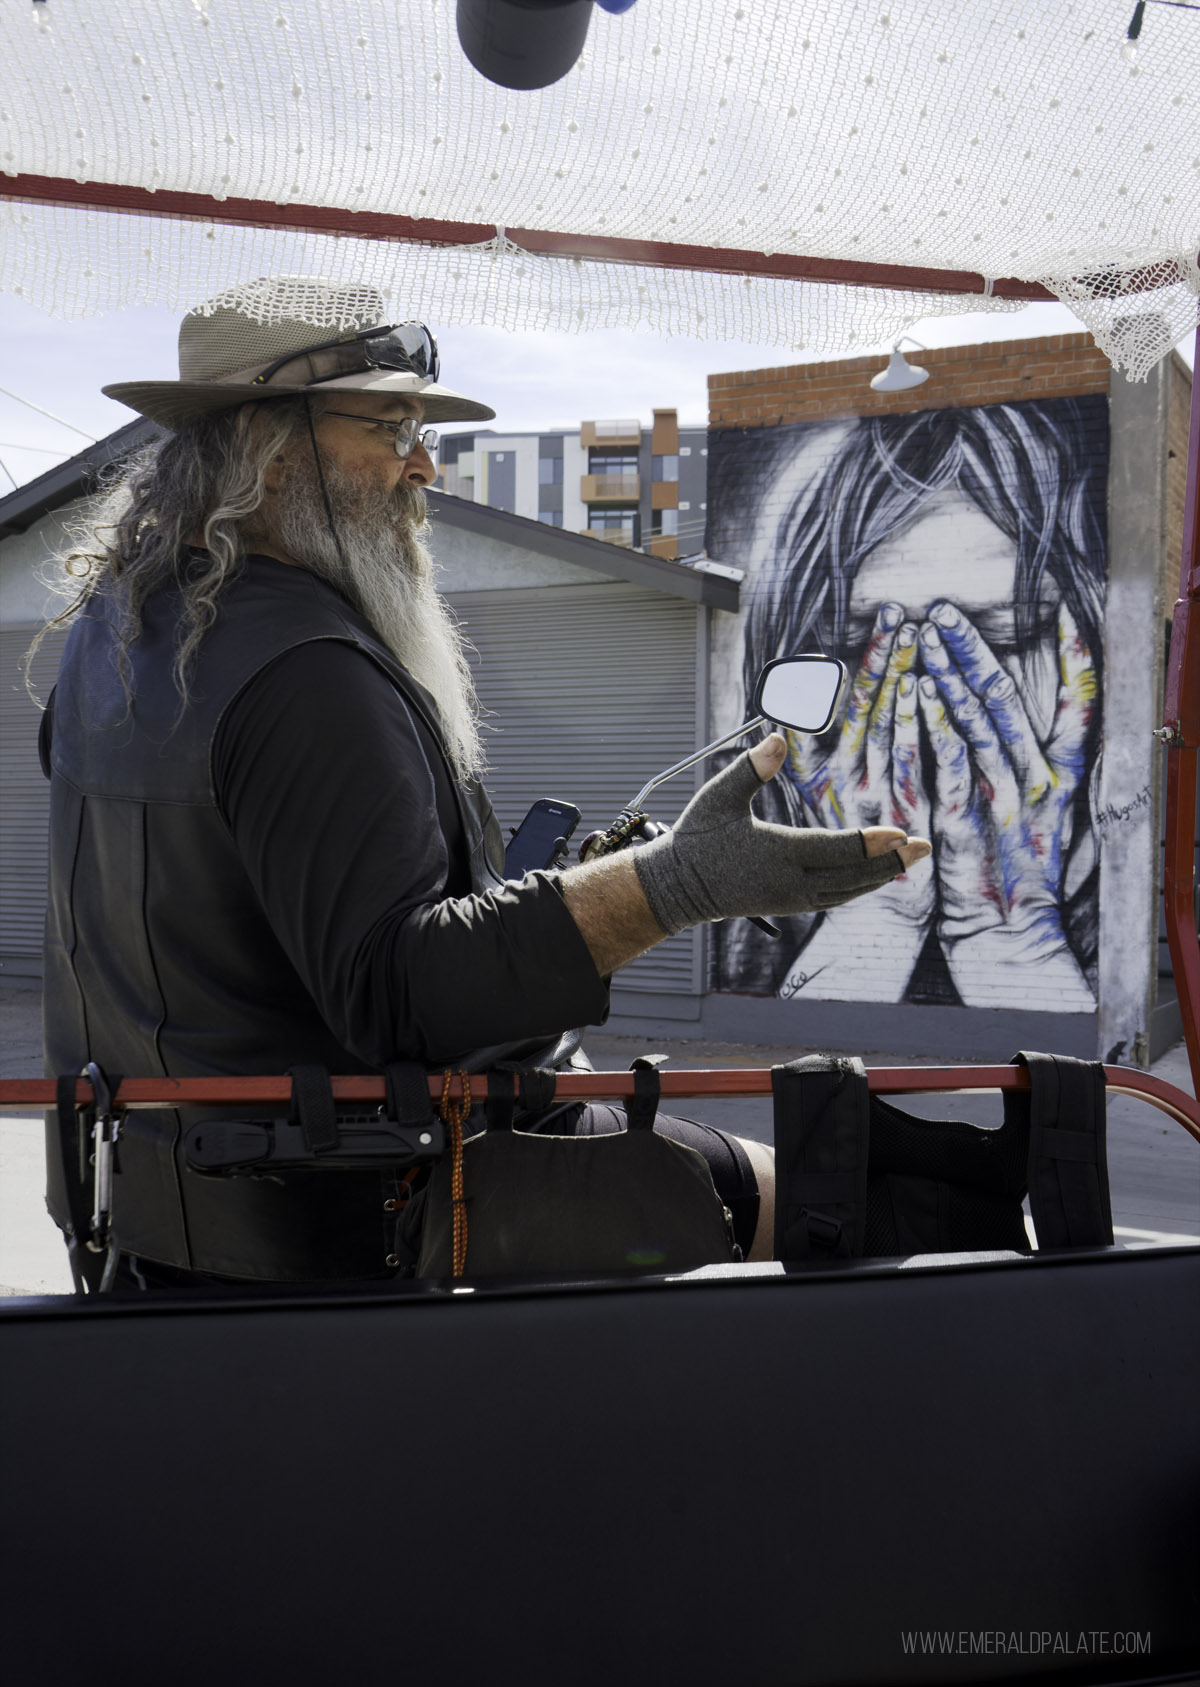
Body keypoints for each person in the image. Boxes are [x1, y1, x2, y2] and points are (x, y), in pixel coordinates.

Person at [39, 277, 930, 1286]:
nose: (424, 464)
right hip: (372, 1217)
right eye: (388, 427)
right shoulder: (307, 673)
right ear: (267, 447)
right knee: (860, 1188)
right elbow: (399, 991)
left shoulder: (116, 640)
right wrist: (676, 885)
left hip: (170, 1216)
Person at [716, 402, 1105, 1013]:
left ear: (1087, 667)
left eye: (998, 639)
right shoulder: (738, 914)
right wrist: (872, 911)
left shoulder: (1127, 919)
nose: (924, 691)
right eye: (861, 642)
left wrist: (1014, 936)